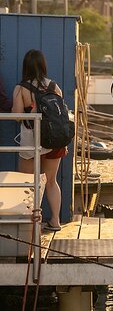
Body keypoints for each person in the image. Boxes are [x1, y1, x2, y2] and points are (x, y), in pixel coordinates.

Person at [11, 49, 67, 231]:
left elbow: (17, 116)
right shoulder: (54, 86)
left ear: (25, 66)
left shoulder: (21, 88)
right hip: (54, 140)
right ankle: (55, 221)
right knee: (51, 181)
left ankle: (30, 224)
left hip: (32, 141)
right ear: (43, 65)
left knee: (28, 182)